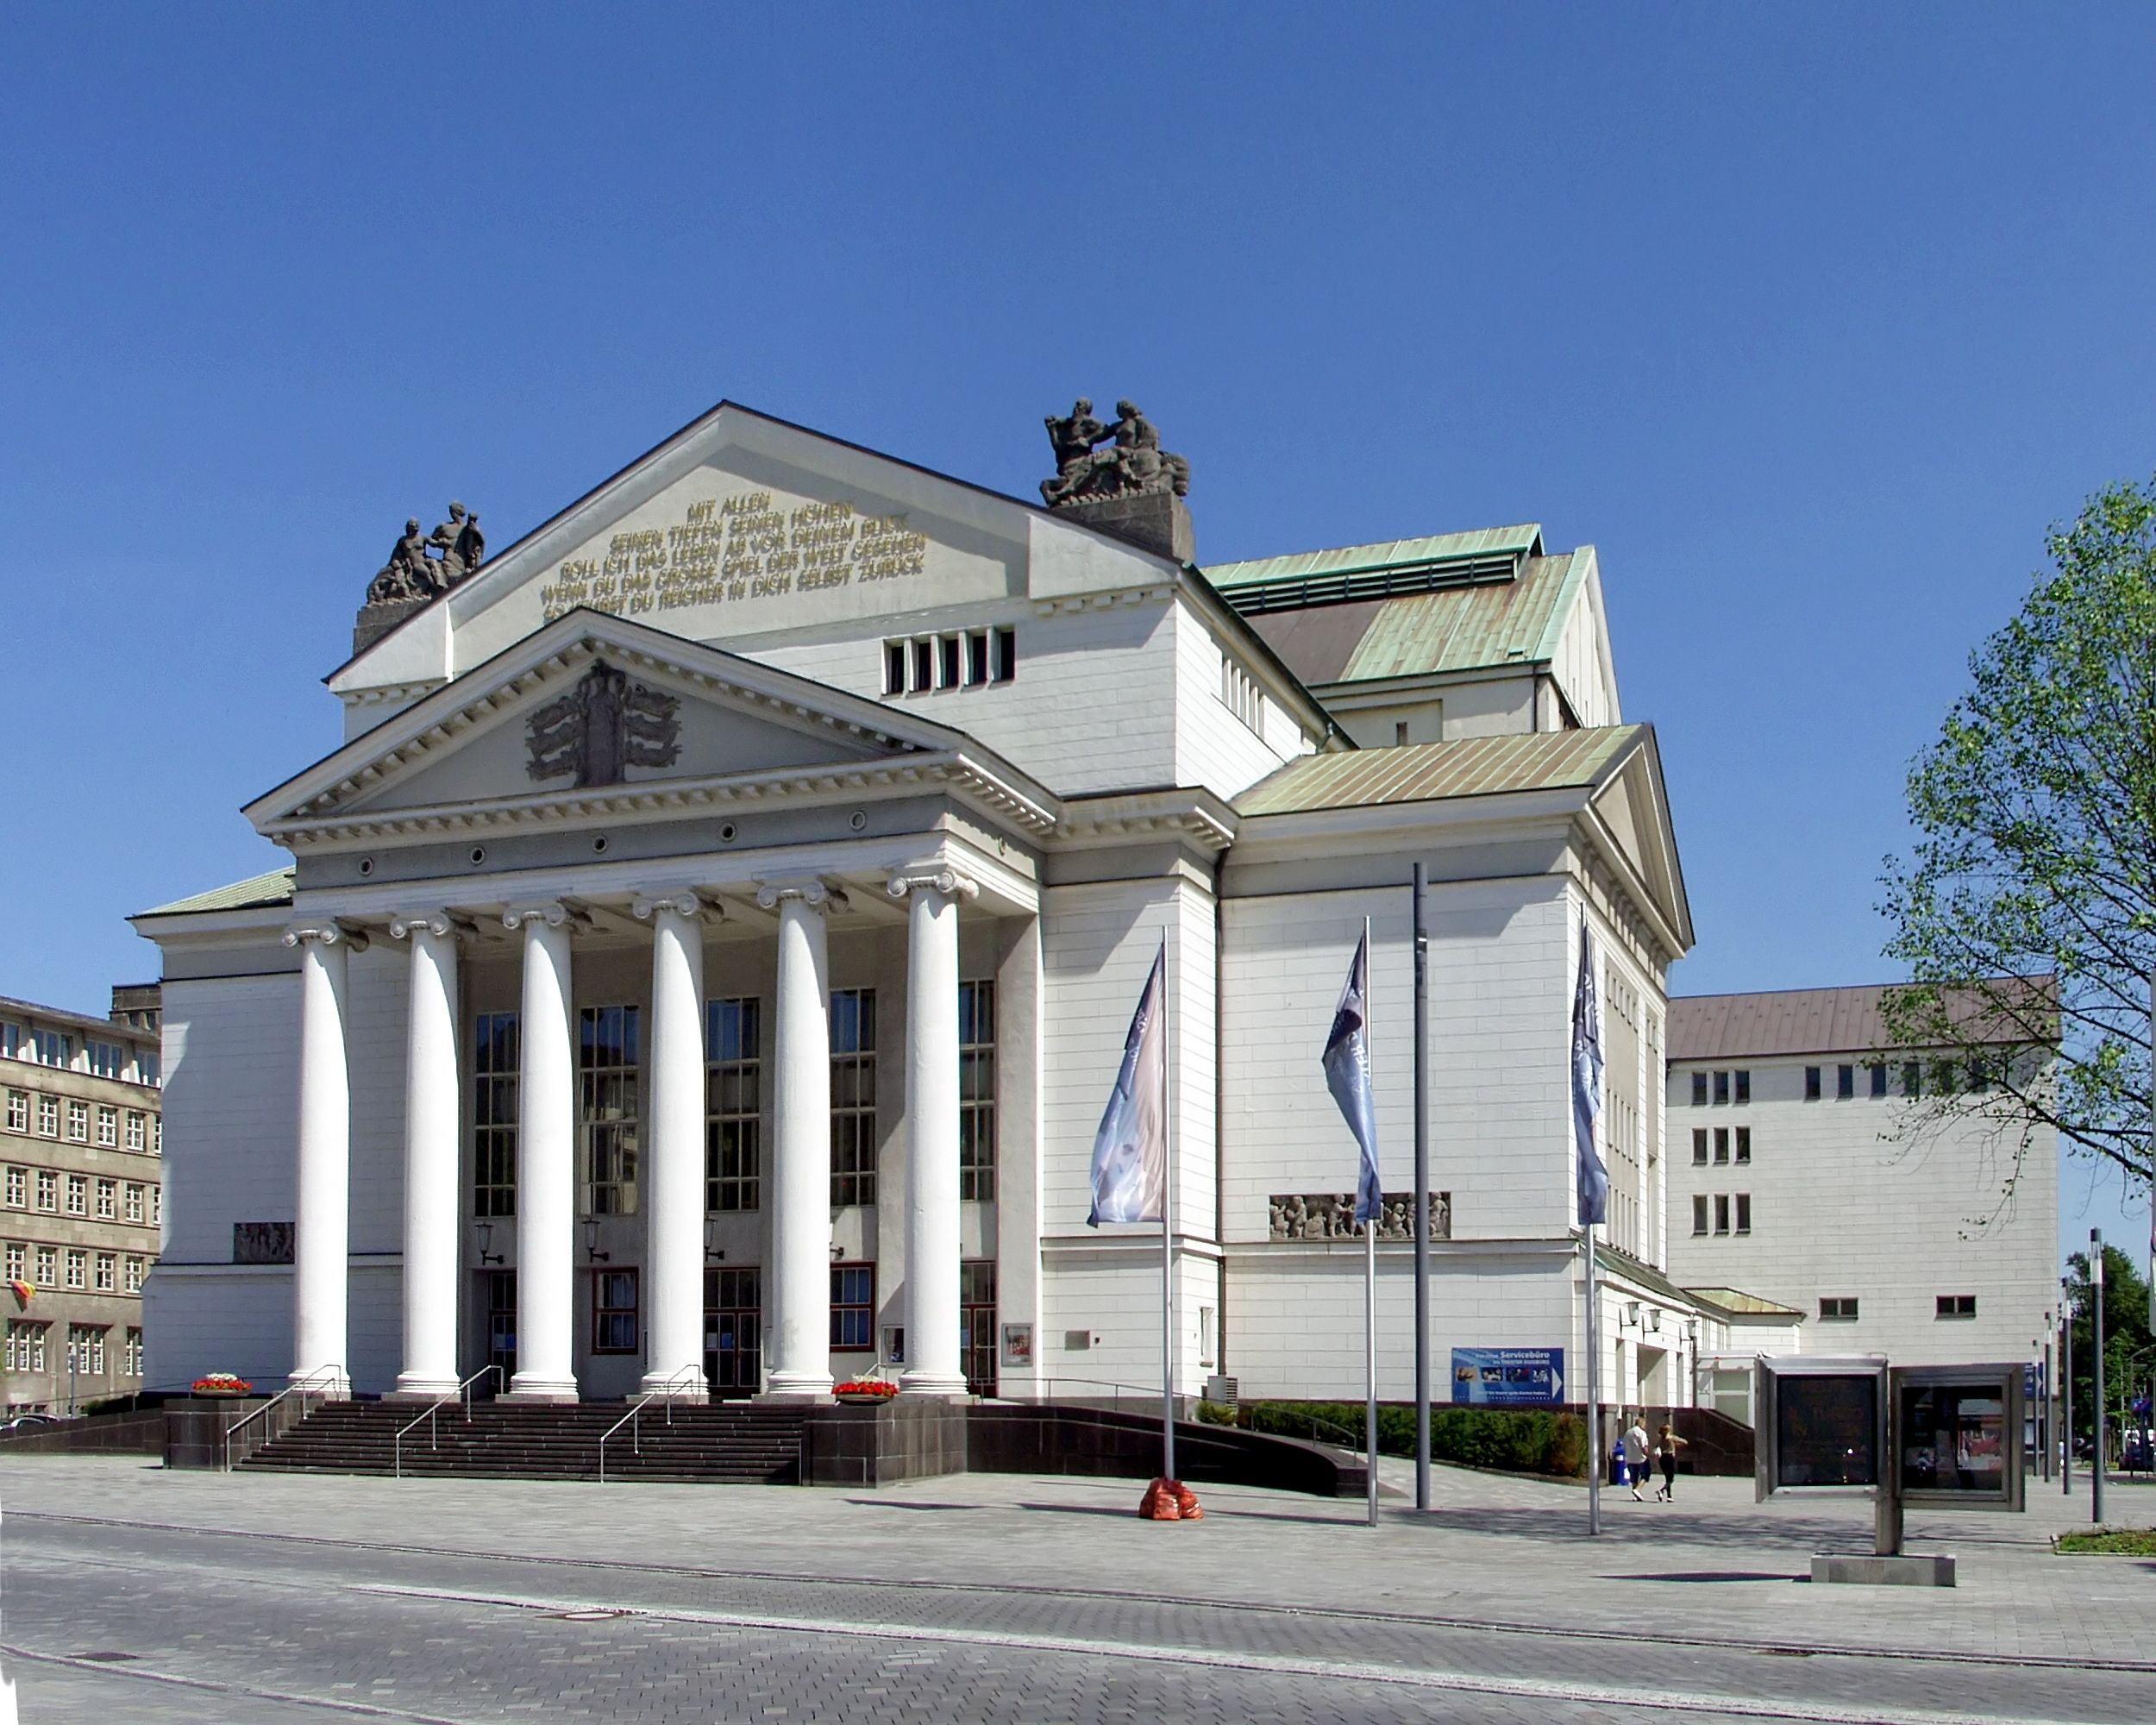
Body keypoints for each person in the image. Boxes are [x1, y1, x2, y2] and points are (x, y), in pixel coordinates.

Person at [1653, 1422, 1687, 1502]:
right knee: (1671, 1479)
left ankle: (1669, 1496)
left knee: (1667, 1478)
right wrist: (1677, 1445)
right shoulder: (1671, 1438)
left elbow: (1656, 1447)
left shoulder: (1661, 1439)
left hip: (1662, 1458)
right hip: (1669, 1457)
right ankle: (1661, 1490)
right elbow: (1685, 1442)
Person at [1622, 1416, 1651, 1502]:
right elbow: (1643, 1446)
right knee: (1646, 1475)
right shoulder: (1641, 1433)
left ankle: (1636, 1495)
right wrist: (1647, 1454)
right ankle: (1637, 1490)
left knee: (1634, 1476)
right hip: (1641, 1458)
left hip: (1630, 1457)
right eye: (1644, 1424)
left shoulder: (1628, 1432)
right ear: (1641, 1423)